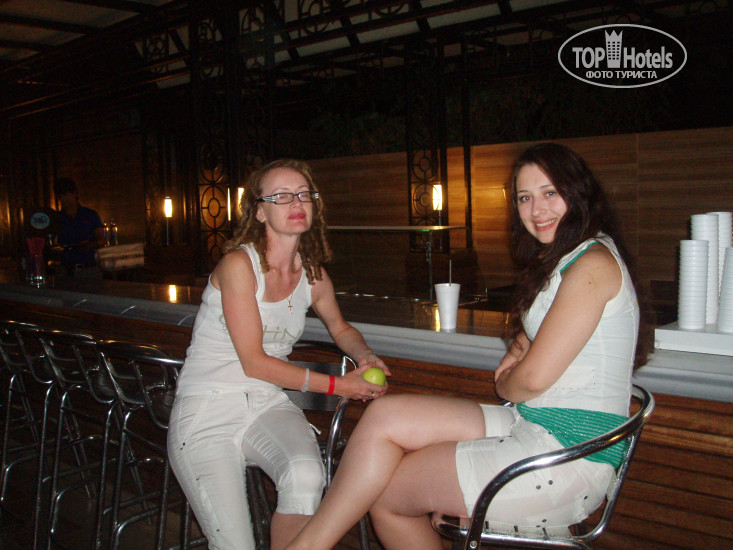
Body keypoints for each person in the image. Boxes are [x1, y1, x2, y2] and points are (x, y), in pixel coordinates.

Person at [284, 143, 653, 550]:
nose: (536, 210)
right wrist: (522, 346)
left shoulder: (591, 265)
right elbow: (547, 329)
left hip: (568, 455)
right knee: (384, 415)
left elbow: (530, 382)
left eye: (550, 192)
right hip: (535, 424)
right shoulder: (570, 258)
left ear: (579, 193)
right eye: (525, 198)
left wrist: (509, 379)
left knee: (388, 497)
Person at [167, 159, 390, 550]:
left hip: (266, 404)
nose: (297, 203)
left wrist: (366, 356)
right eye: (282, 196)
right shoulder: (239, 265)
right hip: (207, 408)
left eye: (304, 194)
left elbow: (340, 329)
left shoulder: (313, 274)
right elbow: (254, 362)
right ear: (260, 211)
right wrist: (339, 386)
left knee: (306, 476)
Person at [53, 177, 105, 278]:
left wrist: (88, 245)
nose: (63, 199)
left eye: (66, 194)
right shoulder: (56, 218)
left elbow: (101, 240)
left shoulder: (89, 215)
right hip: (65, 270)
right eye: (60, 196)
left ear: (75, 193)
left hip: (88, 269)